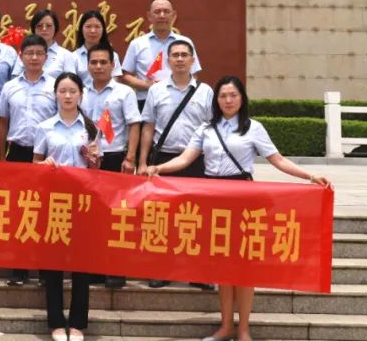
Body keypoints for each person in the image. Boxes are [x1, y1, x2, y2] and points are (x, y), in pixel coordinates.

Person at [147, 76, 332, 341]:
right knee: (222, 264)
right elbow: (185, 158)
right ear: (216, 100)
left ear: (242, 98)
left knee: (245, 265)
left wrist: (310, 176)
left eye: (233, 95)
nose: (228, 100)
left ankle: (243, 329)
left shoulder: (253, 128)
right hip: (214, 199)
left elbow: (278, 160)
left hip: (244, 199)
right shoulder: (206, 128)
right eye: (223, 96)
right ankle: (225, 326)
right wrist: (158, 168)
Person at [137, 39, 214, 290]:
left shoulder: (205, 91)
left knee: (197, 217)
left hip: (196, 161)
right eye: (175, 55)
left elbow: (213, 130)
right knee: (163, 217)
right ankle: (161, 270)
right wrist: (142, 162)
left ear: (193, 60)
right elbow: (148, 127)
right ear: (168, 61)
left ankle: (199, 273)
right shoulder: (156, 90)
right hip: (163, 160)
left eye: (184, 55)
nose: (180, 59)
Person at [32, 72, 99, 341]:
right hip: (54, 201)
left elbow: (97, 169)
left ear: (81, 94)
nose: (68, 96)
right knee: (53, 263)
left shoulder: (92, 128)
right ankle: (56, 322)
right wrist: (44, 165)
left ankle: (78, 322)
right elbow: (34, 165)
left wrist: (94, 159)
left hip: (83, 202)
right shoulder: (45, 127)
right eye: (63, 91)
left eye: (73, 91)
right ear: (56, 94)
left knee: (82, 262)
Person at [0, 34, 55, 286]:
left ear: (46, 57)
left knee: (46, 212)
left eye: (39, 53)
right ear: (20, 56)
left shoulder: (55, 86)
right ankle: (18, 270)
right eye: (29, 53)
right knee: (19, 211)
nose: (34, 57)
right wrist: (1, 157)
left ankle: (45, 271)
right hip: (18, 152)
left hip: (47, 156)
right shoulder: (10, 87)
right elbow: (2, 122)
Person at [81, 43, 141, 289]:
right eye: (93, 62)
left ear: (112, 65)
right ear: (88, 65)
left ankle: (116, 270)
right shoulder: (80, 91)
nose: (98, 67)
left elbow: (134, 124)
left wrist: (131, 158)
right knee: (92, 215)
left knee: (117, 215)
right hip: (86, 160)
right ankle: (95, 268)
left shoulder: (124, 92)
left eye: (103, 62)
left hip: (115, 157)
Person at [122, 0, 202, 108]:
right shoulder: (137, 43)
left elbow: (194, 74)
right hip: (146, 101)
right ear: (149, 16)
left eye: (166, 11)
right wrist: (147, 85)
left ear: (174, 15)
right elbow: (126, 75)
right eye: (157, 12)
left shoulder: (185, 42)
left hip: (178, 101)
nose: (162, 15)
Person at [12, 9, 72, 82]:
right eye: (39, 26)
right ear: (34, 29)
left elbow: (71, 82)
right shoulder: (25, 53)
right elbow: (15, 79)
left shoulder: (66, 55)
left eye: (49, 26)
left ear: (55, 28)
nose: (44, 29)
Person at [71, 10, 123, 86]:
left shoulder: (112, 55)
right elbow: (71, 83)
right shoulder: (73, 57)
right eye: (88, 26)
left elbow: (115, 82)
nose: (93, 31)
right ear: (81, 29)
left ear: (103, 29)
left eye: (97, 27)